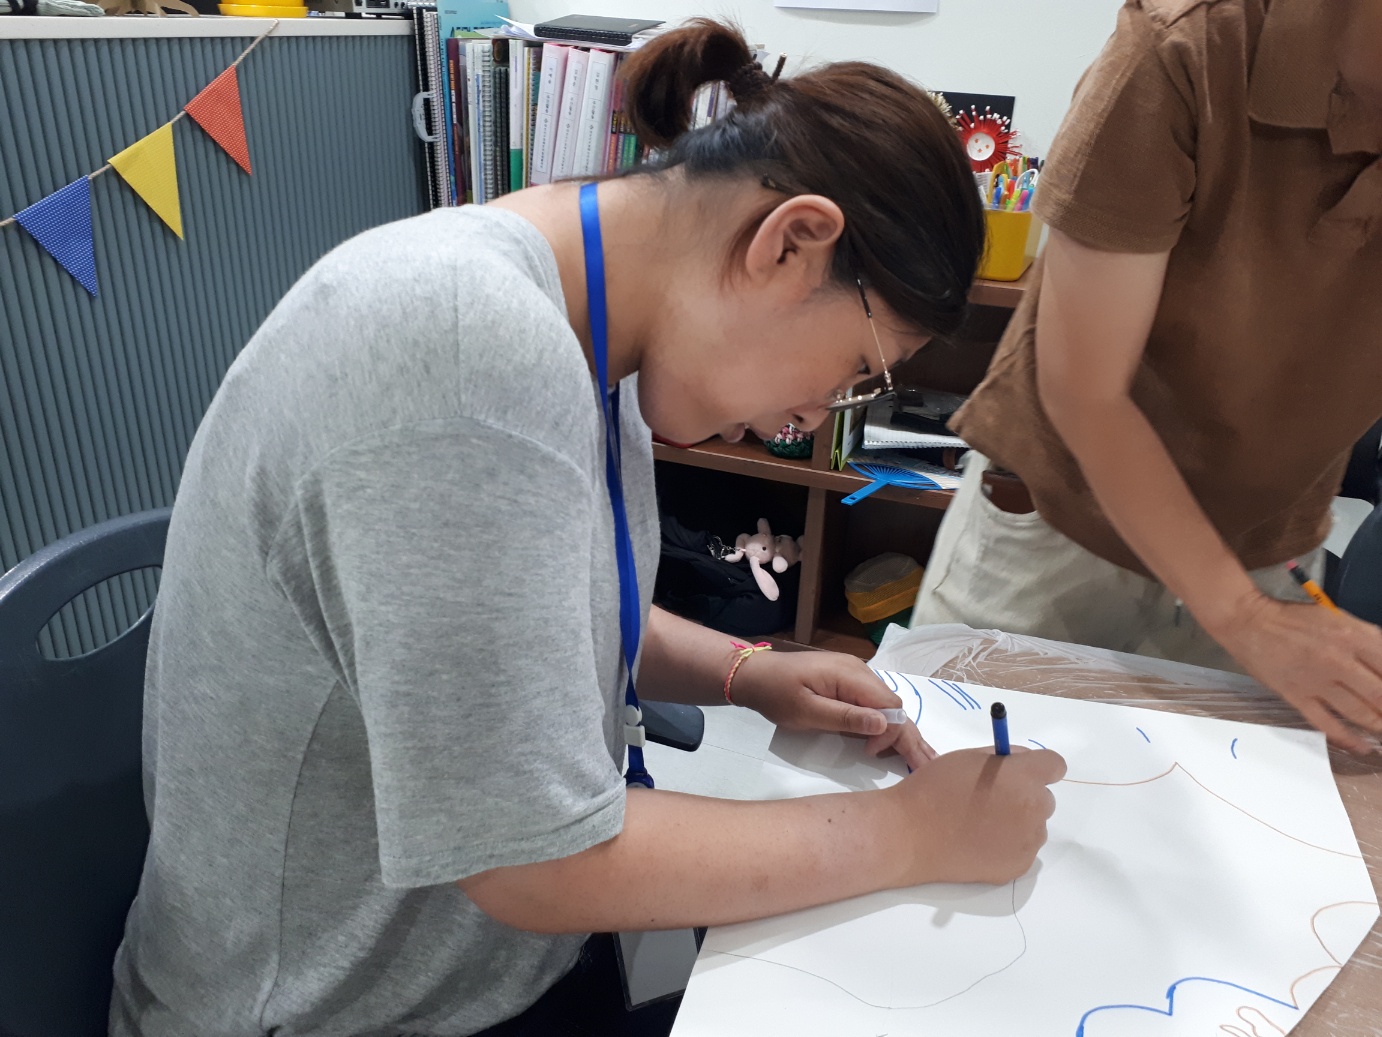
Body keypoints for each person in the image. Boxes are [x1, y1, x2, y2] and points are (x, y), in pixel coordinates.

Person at [110, 20, 1065, 1037]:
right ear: (789, 242)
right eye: (854, 371)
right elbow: (535, 861)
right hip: (337, 1010)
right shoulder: (466, 354)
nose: (809, 415)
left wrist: (746, 670)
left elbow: (534, 627)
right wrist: (907, 834)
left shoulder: (584, 322)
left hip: (488, 968)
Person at [914, 0, 1382, 755]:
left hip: (1264, 539)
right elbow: (1087, 392)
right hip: (1062, 521)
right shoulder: (1189, 45)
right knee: (957, 774)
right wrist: (1245, 617)